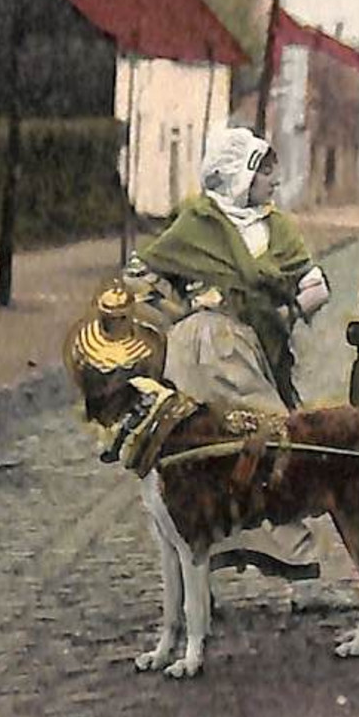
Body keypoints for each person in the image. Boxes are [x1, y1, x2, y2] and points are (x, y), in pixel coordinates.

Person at [125, 126, 333, 583]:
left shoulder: (276, 227)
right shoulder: (197, 221)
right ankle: (201, 566)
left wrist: (289, 310)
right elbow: (141, 277)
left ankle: (294, 562)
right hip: (193, 351)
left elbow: (315, 283)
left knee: (273, 446)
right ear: (241, 175)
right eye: (266, 173)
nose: (274, 182)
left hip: (247, 350)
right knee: (205, 451)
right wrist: (181, 309)